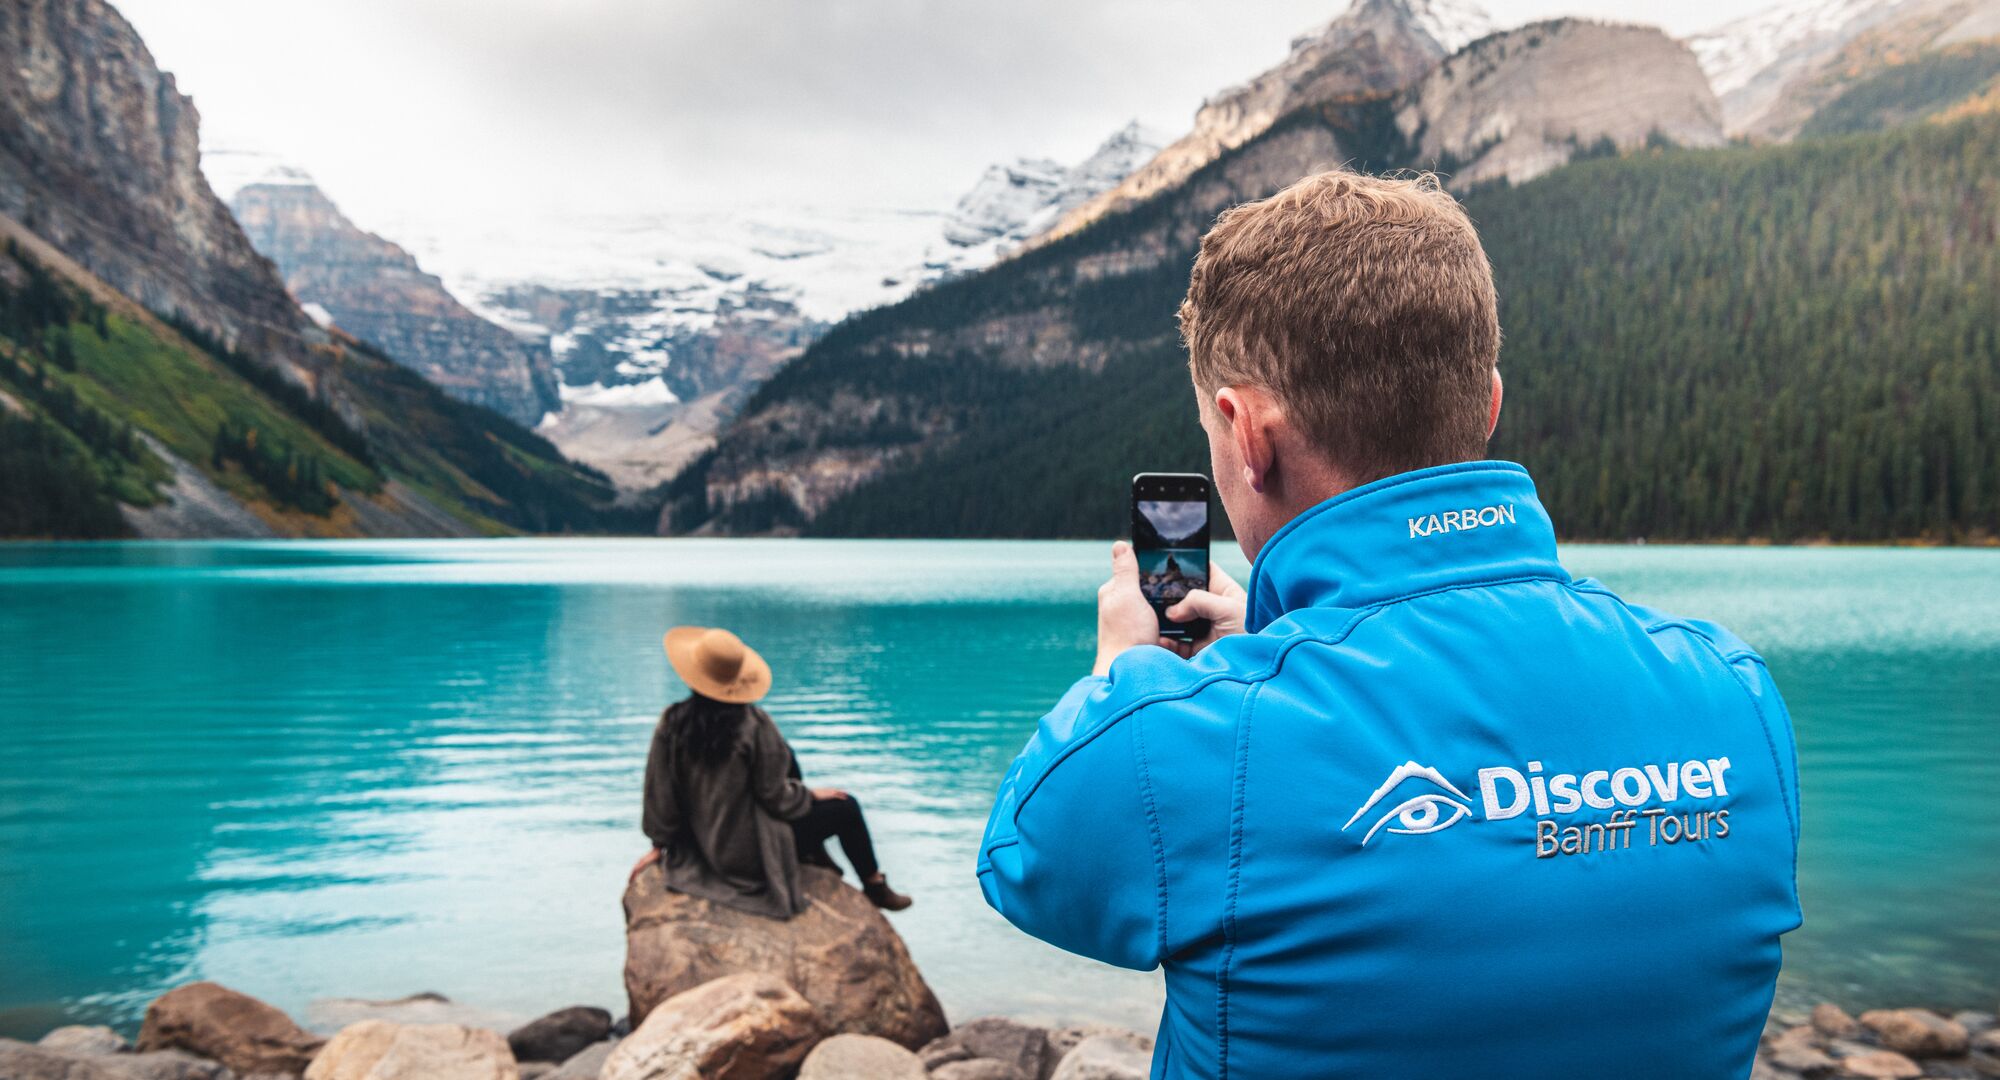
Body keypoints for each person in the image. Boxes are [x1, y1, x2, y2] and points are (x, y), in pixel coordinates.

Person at [977, 172, 1800, 1079]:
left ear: (1247, 434)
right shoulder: (1734, 692)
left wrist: (1125, 669)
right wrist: (1283, 638)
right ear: (1486, 405)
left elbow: (1029, 859)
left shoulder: (1177, 741)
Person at [632, 625, 911, 915]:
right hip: (752, 855)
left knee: (785, 754)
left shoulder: (672, 723)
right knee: (846, 807)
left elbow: (659, 794)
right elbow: (776, 798)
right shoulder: (754, 725)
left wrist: (659, 844)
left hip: (700, 848)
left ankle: (820, 855)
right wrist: (810, 796)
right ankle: (874, 885)